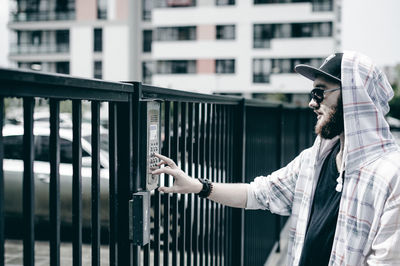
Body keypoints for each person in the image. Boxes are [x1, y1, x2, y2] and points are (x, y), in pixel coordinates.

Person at [152, 51, 400, 265]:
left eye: (320, 92)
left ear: (356, 96)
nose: (311, 103)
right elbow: (260, 192)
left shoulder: (391, 176)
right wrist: (198, 186)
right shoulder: (316, 159)